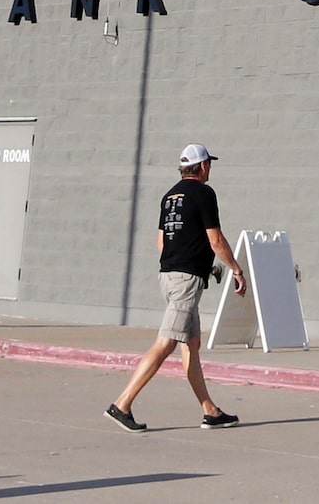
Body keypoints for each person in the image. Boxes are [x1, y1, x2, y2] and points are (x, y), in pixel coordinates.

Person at [104, 144, 242, 433]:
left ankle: (210, 410)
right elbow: (215, 239)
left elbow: (162, 243)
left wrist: (203, 267)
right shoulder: (205, 194)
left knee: (191, 344)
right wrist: (235, 269)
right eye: (209, 165)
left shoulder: (170, 196)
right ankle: (122, 404)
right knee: (166, 342)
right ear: (203, 166)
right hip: (185, 282)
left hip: (168, 276)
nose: (210, 170)